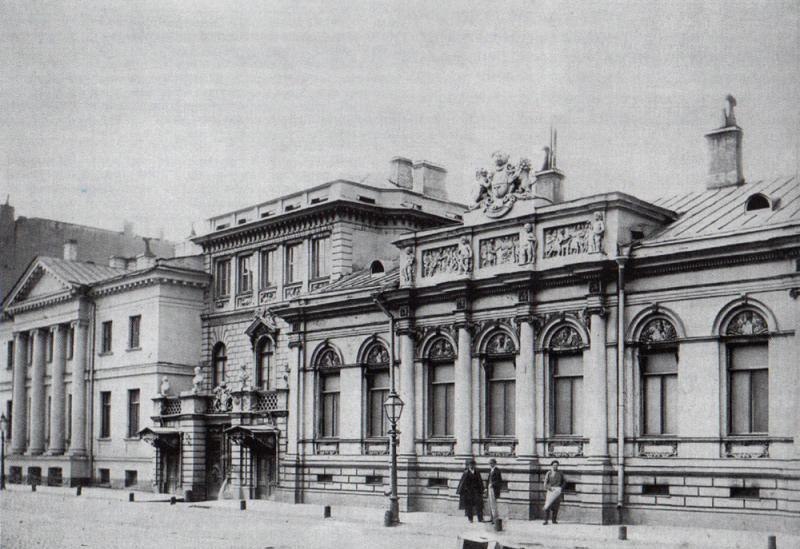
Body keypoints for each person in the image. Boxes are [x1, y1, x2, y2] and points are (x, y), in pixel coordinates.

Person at [456, 458, 484, 523]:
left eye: (473, 464)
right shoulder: (466, 472)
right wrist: (465, 490)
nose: (472, 466)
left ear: (474, 465)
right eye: (470, 464)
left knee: (479, 505)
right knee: (469, 506)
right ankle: (470, 519)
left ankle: (480, 518)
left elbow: (480, 481)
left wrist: (482, 489)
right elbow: (463, 483)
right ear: (468, 465)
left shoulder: (477, 472)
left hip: (476, 491)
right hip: (469, 492)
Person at [542, 460, 566, 525]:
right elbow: (545, 483)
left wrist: (561, 488)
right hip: (551, 490)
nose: (555, 466)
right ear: (551, 466)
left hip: (557, 491)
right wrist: (549, 488)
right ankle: (546, 520)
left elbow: (564, 482)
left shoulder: (560, 473)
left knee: (556, 506)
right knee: (547, 505)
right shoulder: (549, 473)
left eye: (556, 465)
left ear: (558, 466)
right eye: (554, 465)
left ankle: (554, 520)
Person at [486, 458, 503, 523]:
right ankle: (491, 518)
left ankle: (495, 519)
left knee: (493, 504)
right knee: (490, 504)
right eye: (490, 463)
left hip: (494, 489)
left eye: (491, 463)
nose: (490, 464)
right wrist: (486, 487)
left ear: (495, 463)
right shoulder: (491, 470)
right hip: (489, 488)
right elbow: (488, 480)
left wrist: (492, 484)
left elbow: (499, 481)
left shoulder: (497, 471)